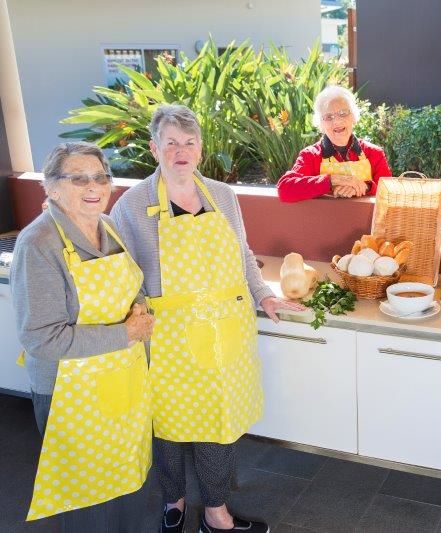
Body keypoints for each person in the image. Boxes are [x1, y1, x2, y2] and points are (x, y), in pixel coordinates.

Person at [111, 104, 305, 533]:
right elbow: (123, 274)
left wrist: (263, 295)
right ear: (154, 148)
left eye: (190, 143)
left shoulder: (223, 195)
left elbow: (242, 256)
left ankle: (217, 515)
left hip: (225, 332)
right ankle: (173, 500)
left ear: (200, 148)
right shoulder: (131, 204)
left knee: (218, 423)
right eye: (172, 143)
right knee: (167, 424)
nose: (181, 152)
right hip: (165, 338)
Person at [11, 142, 154, 532]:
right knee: (90, 500)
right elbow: (41, 338)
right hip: (70, 392)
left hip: (120, 378)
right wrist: (125, 333)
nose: (94, 186)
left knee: (127, 480)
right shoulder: (39, 244)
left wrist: (140, 307)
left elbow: (131, 285)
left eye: (100, 177)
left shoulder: (106, 225)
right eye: (79, 178)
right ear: (52, 187)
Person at [277, 85, 392, 202]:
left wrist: (365, 187)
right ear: (320, 124)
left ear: (353, 116)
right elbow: (284, 189)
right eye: (328, 117)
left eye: (343, 113)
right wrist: (332, 180)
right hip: (324, 219)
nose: (336, 121)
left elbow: (389, 192)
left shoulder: (374, 153)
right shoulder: (311, 155)